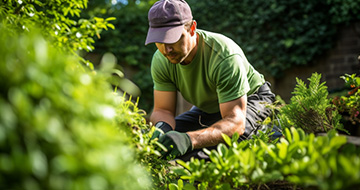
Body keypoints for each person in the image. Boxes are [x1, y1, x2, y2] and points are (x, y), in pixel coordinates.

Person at [145, 0, 279, 161]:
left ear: (192, 28)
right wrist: (162, 130)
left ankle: (269, 132)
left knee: (213, 152)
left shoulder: (223, 56)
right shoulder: (161, 59)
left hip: (250, 100)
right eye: (159, 40)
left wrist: (189, 140)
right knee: (157, 147)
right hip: (210, 109)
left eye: (173, 38)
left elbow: (235, 122)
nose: (166, 49)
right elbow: (163, 110)